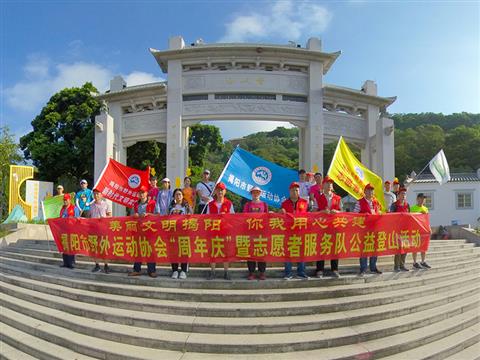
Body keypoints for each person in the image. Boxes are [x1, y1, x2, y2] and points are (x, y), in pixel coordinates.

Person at [314, 176, 342, 278]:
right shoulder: (318, 197)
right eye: (327, 183)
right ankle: (319, 269)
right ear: (323, 185)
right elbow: (313, 212)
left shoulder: (337, 198)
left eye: (331, 183)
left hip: (334, 226)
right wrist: (322, 212)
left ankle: (334, 269)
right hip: (321, 226)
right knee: (321, 247)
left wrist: (337, 212)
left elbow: (342, 212)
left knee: (335, 247)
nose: (329, 185)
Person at [206, 182, 234, 280]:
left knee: (225, 251)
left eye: (222, 190)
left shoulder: (229, 203)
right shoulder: (210, 204)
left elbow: (233, 219)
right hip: (213, 231)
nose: (220, 192)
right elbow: (207, 219)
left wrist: (225, 218)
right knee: (213, 251)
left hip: (225, 231)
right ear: (215, 191)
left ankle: (226, 272)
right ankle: (212, 272)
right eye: (218, 189)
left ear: (225, 191)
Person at [281, 182, 309, 279]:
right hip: (288, 232)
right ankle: (288, 273)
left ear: (299, 191)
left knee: (301, 252)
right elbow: (280, 217)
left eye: (296, 190)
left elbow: (310, 216)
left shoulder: (305, 203)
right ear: (289, 191)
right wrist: (280, 213)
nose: (295, 192)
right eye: (293, 190)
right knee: (288, 252)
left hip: (301, 231)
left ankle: (301, 272)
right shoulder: (284, 203)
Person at [354, 183, 382, 276]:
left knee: (375, 249)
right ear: (365, 191)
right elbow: (355, 215)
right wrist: (363, 216)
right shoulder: (359, 202)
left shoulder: (376, 202)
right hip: (364, 230)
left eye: (372, 190)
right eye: (368, 190)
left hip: (375, 229)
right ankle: (363, 268)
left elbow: (379, 212)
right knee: (364, 249)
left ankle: (373, 267)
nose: (370, 192)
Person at [129, 186, 157, 278]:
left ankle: (151, 270)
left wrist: (148, 214)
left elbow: (158, 215)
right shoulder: (135, 204)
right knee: (138, 250)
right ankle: (137, 269)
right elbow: (130, 216)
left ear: (146, 193)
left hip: (150, 230)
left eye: (143, 192)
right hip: (138, 230)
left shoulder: (152, 203)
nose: (141, 194)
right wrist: (134, 215)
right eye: (140, 192)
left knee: (150, 249)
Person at [243, 186, 269, 280]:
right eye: (254, 192)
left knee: (261, 252)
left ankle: (262, 272)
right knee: (250, 253)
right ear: (251, 194)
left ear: (260, 193)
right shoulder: (247, 205)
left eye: (257, 192)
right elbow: (244, 217)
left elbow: (267, 217)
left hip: (261, 232)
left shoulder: (264, 204)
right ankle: (251, 272)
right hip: (250, 232)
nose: (256, 194)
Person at [169, 188, 192, 279]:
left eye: (180, 194)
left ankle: (183, 270)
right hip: (173, 231)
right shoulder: (171, 206)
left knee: (184, 250)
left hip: (184, 231)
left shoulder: (186, 206)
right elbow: (167, 217)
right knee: (174, 251)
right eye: (176, 195)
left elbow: (191, 216)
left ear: (182, 196)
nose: (178, 196)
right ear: (174, 196)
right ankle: (174, 270)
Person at [90, 189, 113, 274]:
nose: (96, 195)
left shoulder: (106, 204)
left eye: (98, 194)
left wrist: (104, 219)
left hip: (103, 230)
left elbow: (110, 216)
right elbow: (90, 217)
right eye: (95, 194)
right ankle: (97, 265)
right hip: (93, 230)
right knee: (95, 248)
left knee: (104, 248)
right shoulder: (91, 205)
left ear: (101, 195)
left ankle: (106, 265)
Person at [390, 187, 410, 272]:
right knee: (398, 248)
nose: (403, 196)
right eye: (402, 194)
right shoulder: (394, 205)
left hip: (405, 230)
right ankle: (396, 266)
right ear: (398, 195)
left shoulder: (407, 205)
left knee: (405, 248)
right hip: (397, 229)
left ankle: (402, 265)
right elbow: (391, 216)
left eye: (405, 194)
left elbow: (410, 216)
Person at [410, 193, 431, 269]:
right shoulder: (412, 208)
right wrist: (419, 214)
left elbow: (427, 220)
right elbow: (411, 219)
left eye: (424, 199)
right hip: (415, 230)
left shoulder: (425, 209)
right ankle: (415, 262)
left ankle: (423, 261)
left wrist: (429, 228)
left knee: (423, 246)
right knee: (415, 247)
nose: (422, 200)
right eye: (421, 198)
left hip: (423, 230)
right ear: (417, 199)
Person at [59, 193, 76, 269]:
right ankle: (65, 262)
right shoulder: (62, 208)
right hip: (63, 230)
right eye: (64, 200)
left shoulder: (74, 208)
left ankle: (71, 262)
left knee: (71, 246)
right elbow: (60, 218)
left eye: (66, 200)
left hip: (72, 230)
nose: (65, 201)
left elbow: (77, 219)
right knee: (65, 246)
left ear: (70, 200)